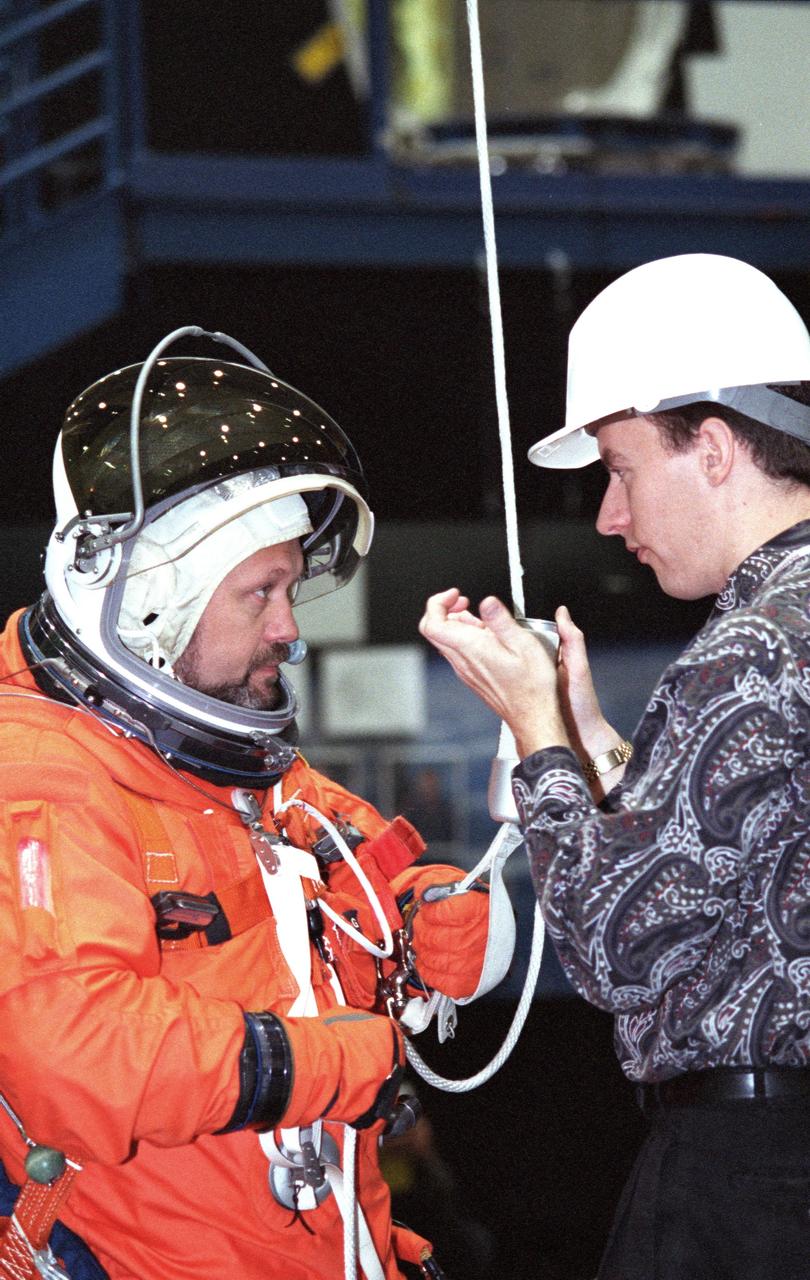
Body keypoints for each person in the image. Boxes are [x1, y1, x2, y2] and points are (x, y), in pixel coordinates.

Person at [0, 335, 491, 1280]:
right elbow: (74, 1054)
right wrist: (322, 1064)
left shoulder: (240, 766)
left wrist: (430, 910)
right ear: (150, 606)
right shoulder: (43, 777)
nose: (290, 629)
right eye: (259, 593)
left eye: (291, 587)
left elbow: (362, 862)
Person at [419, 253, 810, 1280]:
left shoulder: (753, 650)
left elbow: (618, 948)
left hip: (751, 1181)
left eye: (621, 469)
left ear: (716, 447)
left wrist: (538, 732)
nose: (607, 515)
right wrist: (596, 745)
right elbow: (743, 872)